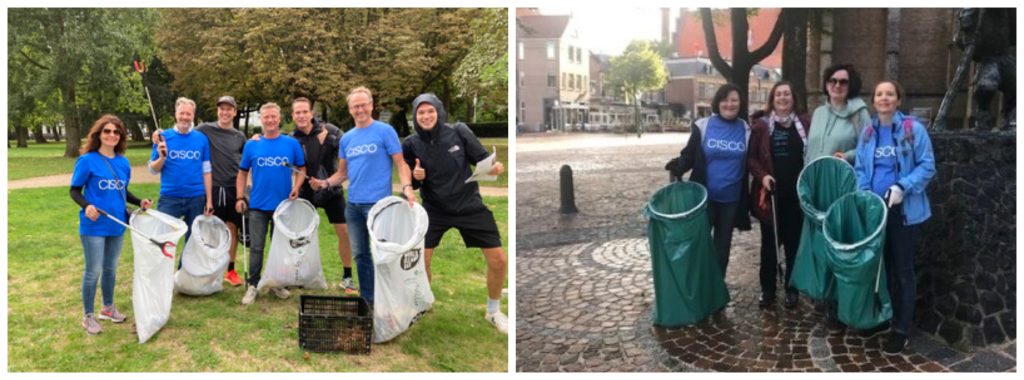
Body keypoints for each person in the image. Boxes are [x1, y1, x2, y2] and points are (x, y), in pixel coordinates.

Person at [400, 93, 508, 334]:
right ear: (415, 116)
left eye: (430, 111)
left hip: (469, 205)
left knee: (499, 260)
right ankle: (423, 303)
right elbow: (413, 183)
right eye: (421, 112)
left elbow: (483, 161)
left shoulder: (459, 131)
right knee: (421, 261)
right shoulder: (410, 143)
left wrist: (495, 167)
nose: (426, 116)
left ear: (439, 111)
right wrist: (417, 179)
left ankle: (493, 311)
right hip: (434, 209)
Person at [310, 86, 416, 307]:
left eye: (363, 105)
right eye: (355, 106)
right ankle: (368, 299)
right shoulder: (347, 139)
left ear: (371, 105)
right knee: (360, 255)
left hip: (379, 205)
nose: (360, 110)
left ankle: (390, 298)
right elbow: (343, 173)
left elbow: (400, 163)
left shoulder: (385, 131)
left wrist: (406, 186)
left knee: (383, 255)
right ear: (350, 109)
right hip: (354, 206)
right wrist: (325, 183)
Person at [854, 80, 935, 355]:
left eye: (890, 94)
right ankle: (886, 318)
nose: (884, 98)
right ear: (873, 101)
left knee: (902, 271)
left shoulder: (913, 130)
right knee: (883, 269)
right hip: (877, 212)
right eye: (879, 94)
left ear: (898, 100)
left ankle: (901, 329)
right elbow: (860, 168)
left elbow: (927, 165)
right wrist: (865, 194)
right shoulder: (867, 132)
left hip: (904, 212)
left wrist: (903, 186)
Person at [70, 115, 153, 335]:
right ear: (98, 134)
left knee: (110, 269)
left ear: (121, 136)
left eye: (116, 132)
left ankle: (107, 308)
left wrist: (139, 202)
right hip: (94, 225)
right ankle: (88, 316)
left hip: (117, 223)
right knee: (93, 271)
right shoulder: (87, 160)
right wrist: (87, 205)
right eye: (107, 131)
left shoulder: (123, 162)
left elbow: (121, 190)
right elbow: (74, 190)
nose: (112, 135)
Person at [155, 95, 248, 286]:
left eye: (229, 109)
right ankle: (179, 274)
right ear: (217, 111)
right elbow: (183, 130)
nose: (225, 112)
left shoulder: (239, 136)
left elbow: (246, 159)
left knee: (230, 228)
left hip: (231, 187)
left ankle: (228, 270)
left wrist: (257, 138)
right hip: (207, 188)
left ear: (234, 112)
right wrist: (158, 133)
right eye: (222, 108)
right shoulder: (205, 130)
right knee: (206, 231)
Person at [669, 83, 752, 278]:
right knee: (700, 243)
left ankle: (716, 286)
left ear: (740, 104)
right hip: (704, 198)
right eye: (725, 100)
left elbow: (754, 160)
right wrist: (677, 167)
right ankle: (699, 285)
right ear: (718, 102)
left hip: (731, 200)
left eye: (734, 100)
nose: (729, 104)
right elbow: (689, 155)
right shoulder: (704, 126)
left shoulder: (746, 130)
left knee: (722, 246)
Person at [747, 81, 811, 309]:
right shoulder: (762, 126)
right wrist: (763, 176)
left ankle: (792, 289)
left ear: (793, 98)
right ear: (772, 99)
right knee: (769, 245)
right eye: (778, 95)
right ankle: (768, 289)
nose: (783, 98)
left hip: (796, 196)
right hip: (771, 196)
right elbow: (752, 158)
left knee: (794, 244)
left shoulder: (805, 123)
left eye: (787, 94)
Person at [236, 102, 306, 305]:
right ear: (261, 119)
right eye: (266, 117)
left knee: (280, 248)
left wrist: (297, 187)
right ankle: (253, 285)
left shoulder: (291, 143)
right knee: (256, 247)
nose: (270, 120)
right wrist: (240, 197)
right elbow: (241, 173)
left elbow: (302, 168)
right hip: (257, 205)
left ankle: (276, 283)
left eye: (273, 116)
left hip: (283, 206)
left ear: (279, 118)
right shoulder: (252, 145)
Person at [290, 97, 358, 295]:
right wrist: (256, 138)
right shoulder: (292, 138)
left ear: (312, 113)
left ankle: (347, 276)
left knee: (343, 232)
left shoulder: (330, 130)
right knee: (301, 236)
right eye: (297, 112)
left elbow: (350, 145)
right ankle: (301, 274)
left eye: (305, 111)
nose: (301, 116)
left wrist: (330, 140)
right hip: (305, 192)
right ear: (293, 115)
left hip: (331, 190)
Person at [148, 97, 214, 268]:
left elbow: (206, 171)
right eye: (182, 113)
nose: (185, 117)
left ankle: (184, 274)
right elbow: (153, 169)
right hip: (170, 197)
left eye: (188, 114)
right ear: (175, 114)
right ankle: (162, 273)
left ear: (193, 115)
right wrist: (162, 157)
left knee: (193, 240)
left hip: (196, 197)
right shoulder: (163, 137)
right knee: (164, 239)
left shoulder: (201, 139)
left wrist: (209, 200)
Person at [805, 63, 870, 164]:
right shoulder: (818, 113)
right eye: (833, 81)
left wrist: (848, 156)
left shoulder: (859, 113)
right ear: (826, 85)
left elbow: (869, 147)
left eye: (843, 82)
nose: (837, 85)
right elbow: (809, 149)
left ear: (851, 86)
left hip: (842, 176)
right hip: (814, 177)